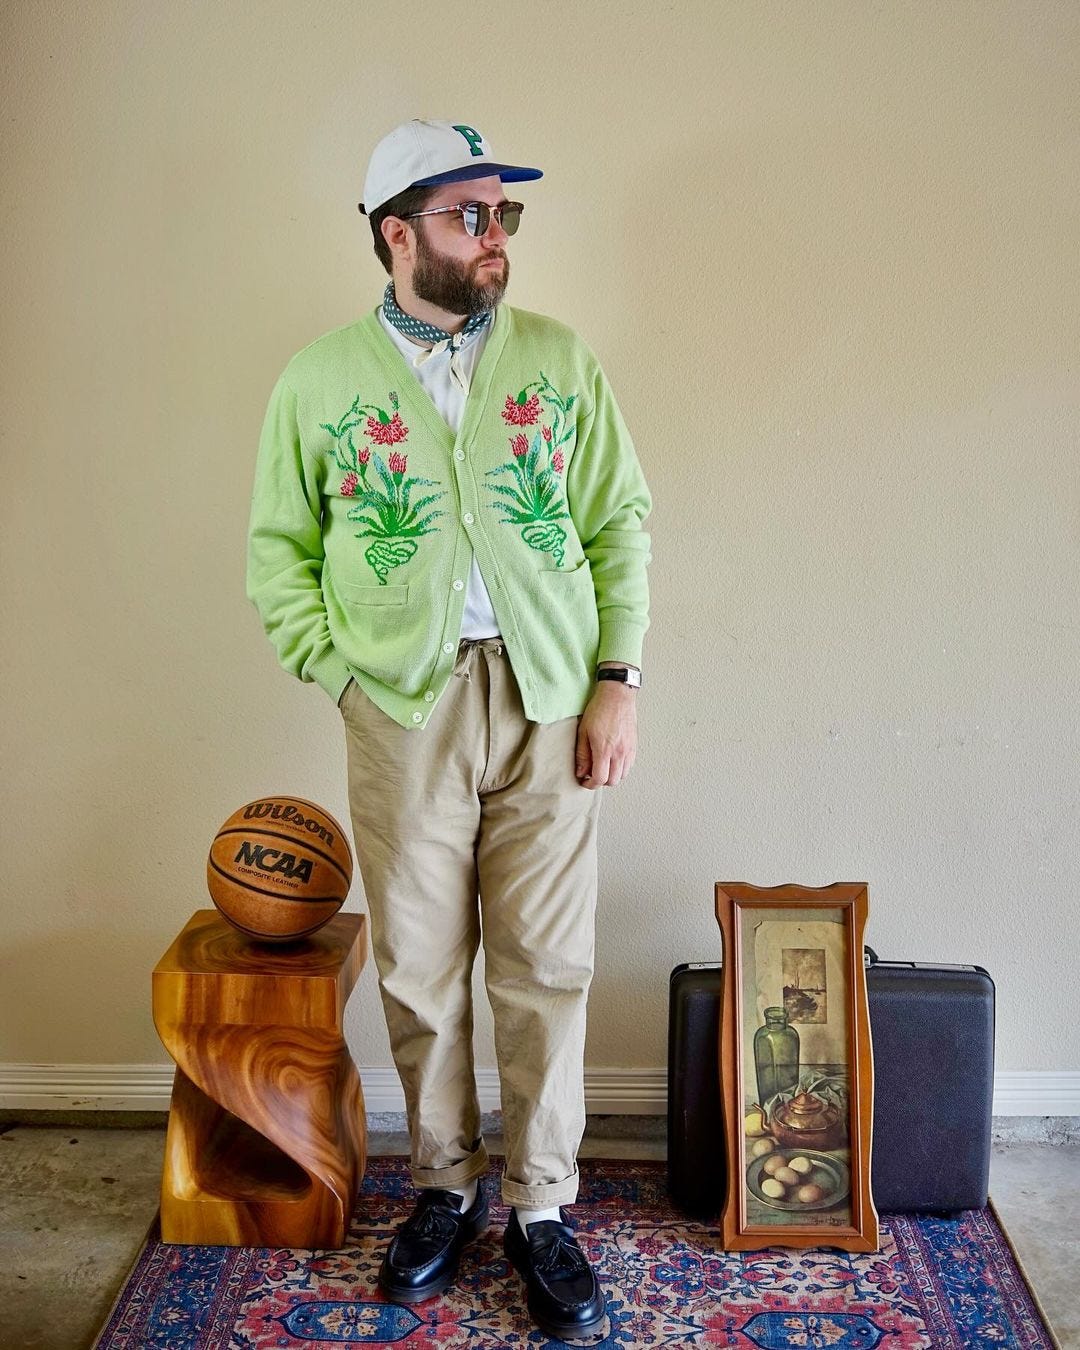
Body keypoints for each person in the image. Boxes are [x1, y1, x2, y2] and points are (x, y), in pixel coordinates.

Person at [247, 119, 651, 1341]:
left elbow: (618, 521)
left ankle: (539, 1208)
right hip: (401, 704)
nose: (494, 237)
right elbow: (280, 554)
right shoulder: (319, 381)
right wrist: (343, 677)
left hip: (550, 695)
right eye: (469, 215)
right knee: (421, 965)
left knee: (546, 963)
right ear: (396, 233)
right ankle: (444, 1186)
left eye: (502, 215)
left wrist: (617, 678)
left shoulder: (558, 360)